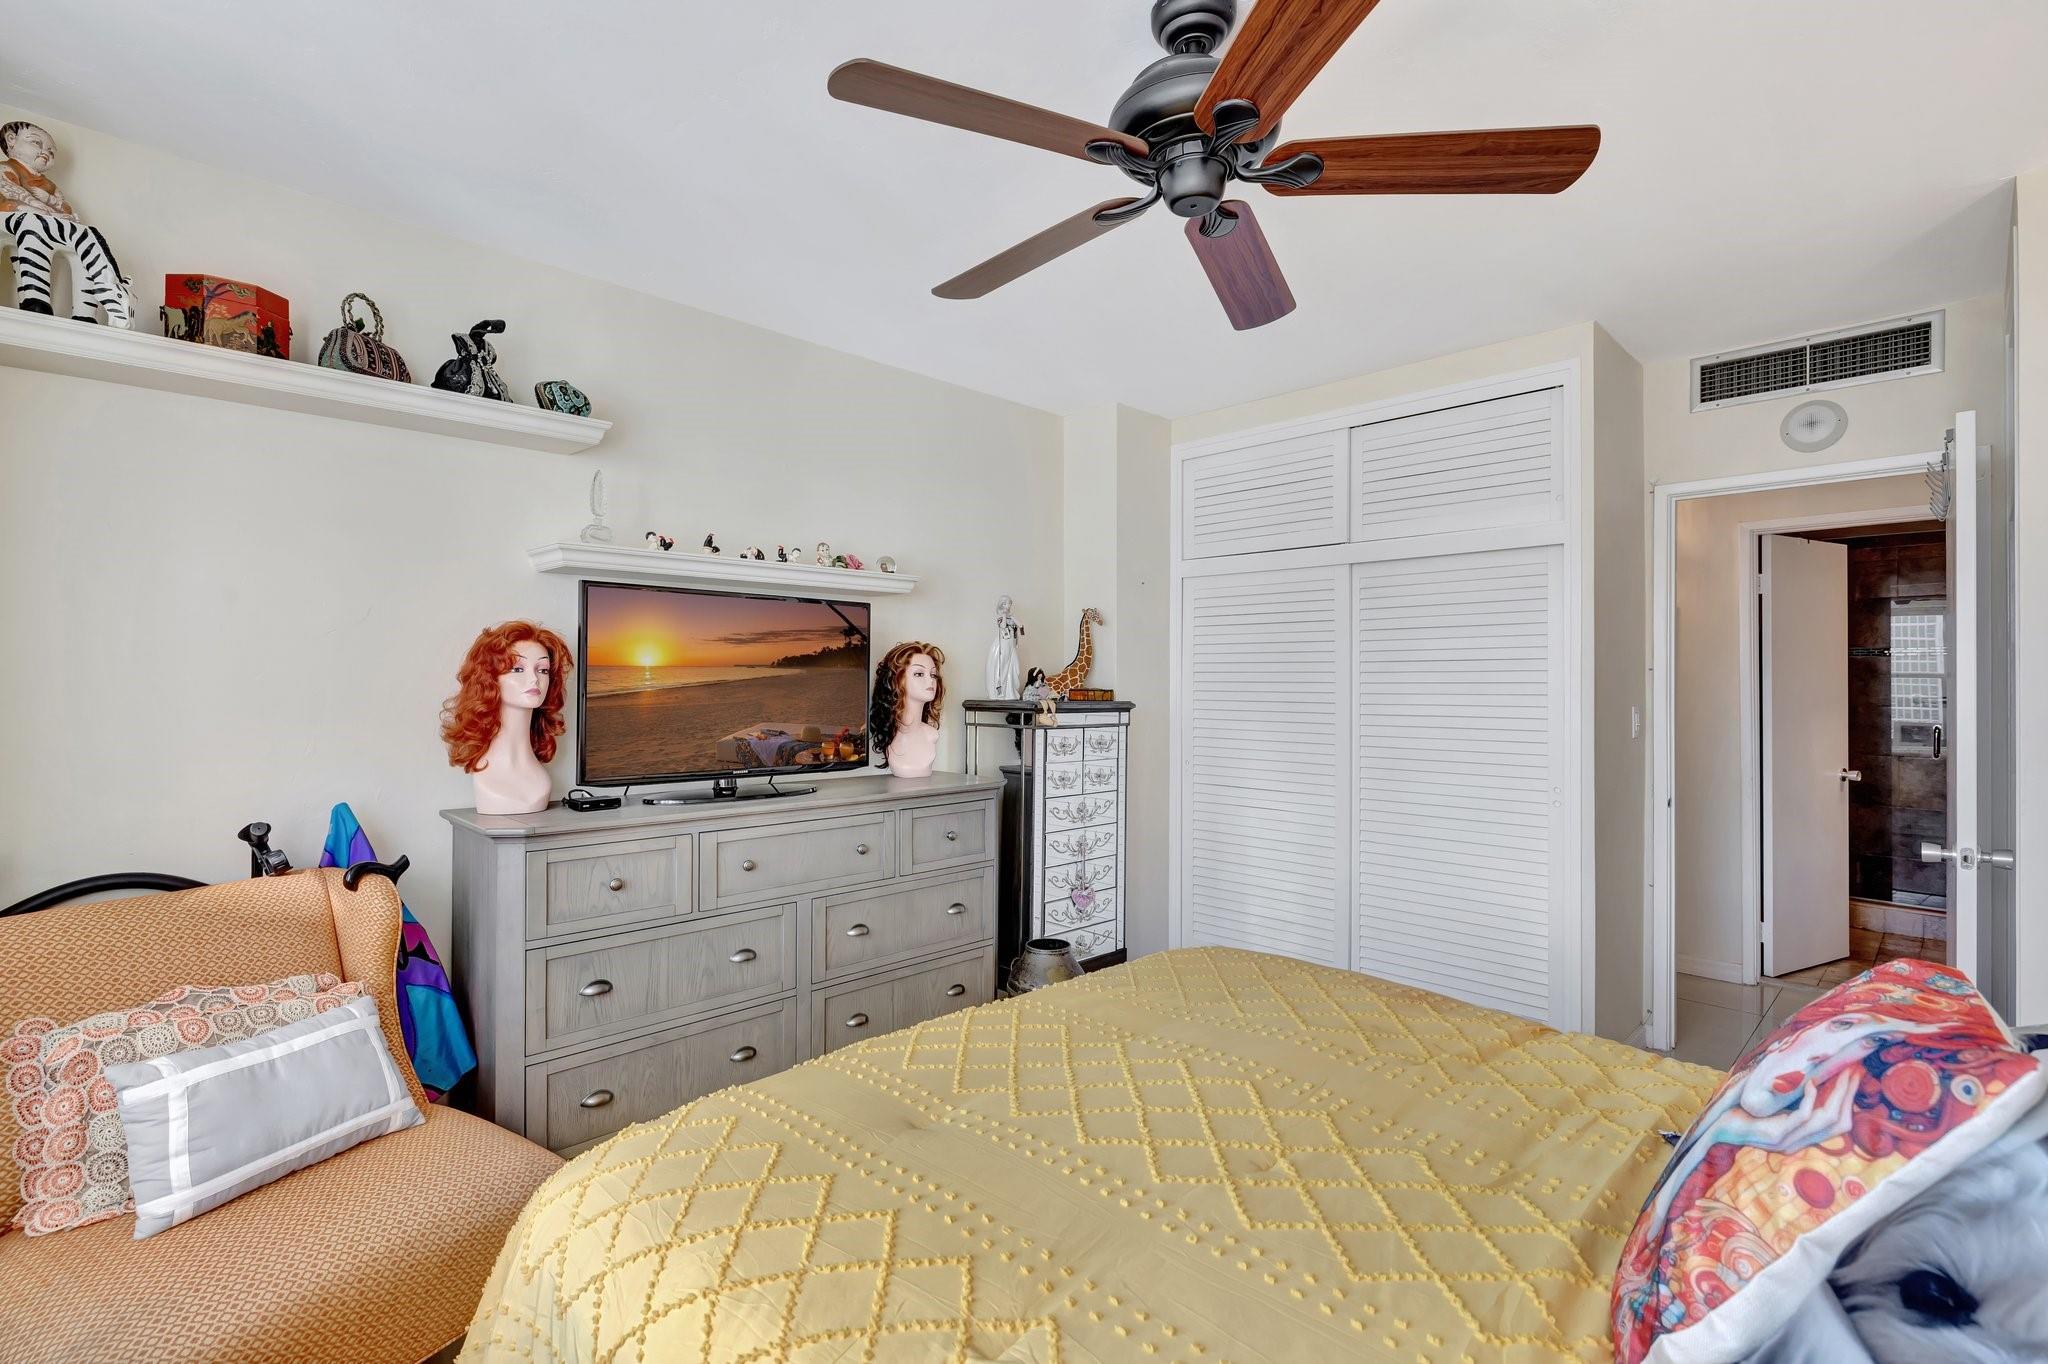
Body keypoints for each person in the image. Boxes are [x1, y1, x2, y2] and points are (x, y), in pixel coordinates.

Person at [441, 621, 573, 814]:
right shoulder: (487, 780)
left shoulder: (540, 779)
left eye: (542, 670)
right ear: (490, 678)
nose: (534, 679)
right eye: (518, 669)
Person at [870, 641, 945, 778]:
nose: (930, 681)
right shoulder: (892, 737)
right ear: (897, 680)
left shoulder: (931, 735)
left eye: (933, 674)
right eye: (919, 674)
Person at [0, 122, 75, 219]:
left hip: (48, 217)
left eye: (51, 152)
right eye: (36, 143)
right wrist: (32, 202)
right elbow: (7, 187)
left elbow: (67, 209)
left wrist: (49, 199)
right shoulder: (7, 167)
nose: (46, 152)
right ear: (11, 139)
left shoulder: (50, 185)